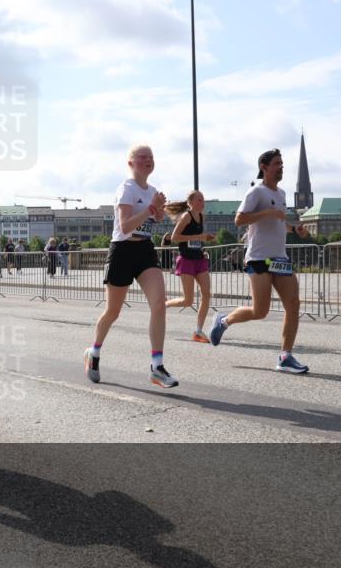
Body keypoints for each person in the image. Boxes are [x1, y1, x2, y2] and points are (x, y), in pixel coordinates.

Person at [209, 148, 311, 374]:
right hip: (258, 258)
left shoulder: (282, 194)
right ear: (264, 167)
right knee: (260, 310)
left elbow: (279, 222)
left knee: (293, 304)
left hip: (280, 258)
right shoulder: (256, 192)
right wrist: (266, 213)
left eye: (282, 163)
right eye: (277, 163)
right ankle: (223, 321)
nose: (281, 167)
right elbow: (239, 220)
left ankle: (285, 356)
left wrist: (296, 230)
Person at [84, 144, 178, 388]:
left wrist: (157, 212)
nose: (148, 160)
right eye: (142, 157)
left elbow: (152, 220)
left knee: (159, 304)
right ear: (131, 163)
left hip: (145, 250)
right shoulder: (126, 189)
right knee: (113, 312)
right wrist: (150, 209)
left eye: (151, 157)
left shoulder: (153, 190)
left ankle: (157, 366)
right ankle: (93, 352)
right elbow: (125, 226)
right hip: (123, 250)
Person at [164, 191, 214, 343]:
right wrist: (198, 237)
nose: (202, 202)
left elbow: (197, 239)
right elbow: (174, 237)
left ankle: (198, 331)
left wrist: (205, 241)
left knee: (207, 294)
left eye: (203, 199)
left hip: (199, 259)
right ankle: (165, 304)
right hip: (186, 260)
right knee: (188, 301)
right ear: (190, 202)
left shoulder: (201, 217)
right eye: (199, 199)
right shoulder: (187, 216)